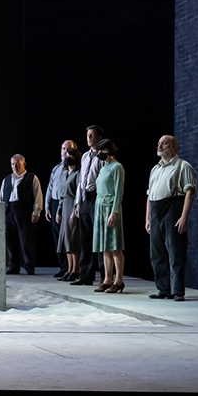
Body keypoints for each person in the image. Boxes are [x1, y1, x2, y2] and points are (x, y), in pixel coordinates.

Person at [145, 134, 196, 301]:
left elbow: (190, 192)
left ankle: (177, 290)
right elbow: (149, 195)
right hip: (156, 210)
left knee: (175, 250)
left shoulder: (183, 166)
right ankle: (163, 288)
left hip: (173, 207)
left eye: (164, 143)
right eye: (159, 143)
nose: (160, 146)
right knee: (157, 252)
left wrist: (184, 217)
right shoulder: (155, 169)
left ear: (174, 147)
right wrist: (148, 218)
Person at [0, 153, 44, 276]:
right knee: (10, 241)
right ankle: (14, 266)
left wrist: (36, 212)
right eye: (13, 164)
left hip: (24, 212)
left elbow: (38, 195)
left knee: (27, 240)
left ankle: (29, 266)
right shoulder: (7, 179)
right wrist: (0, 213)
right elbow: (1, 197)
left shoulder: (31, 178)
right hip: (9, 211)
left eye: (18, 164)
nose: (15, 166)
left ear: (24, 164)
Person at [71, 125, 105, 287]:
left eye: (92, 135)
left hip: (96, 197)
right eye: (87, 135)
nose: (89, 138)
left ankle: (105, 276)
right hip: (85, 199)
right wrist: (77, 202)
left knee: (100, 239)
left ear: (99, 138)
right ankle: (85, 275)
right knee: (85, 239)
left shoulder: (103, 155)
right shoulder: (85, 156)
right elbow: (81, 182)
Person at [92, 139, 125, 292]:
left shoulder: (117, 167)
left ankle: (119, 280)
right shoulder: (103, 168)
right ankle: (107, 279)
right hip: (100, 206)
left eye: (102, 150)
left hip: (110, 206)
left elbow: (119, 191)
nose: (99, 153)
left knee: (114, 245)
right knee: (105, 247)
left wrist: (114, 211)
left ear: (109, 150)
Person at [46, 141, 81, 281]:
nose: (66, 154)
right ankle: (68, 269)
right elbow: (53, 189)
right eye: (64, 150)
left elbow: (79, 193)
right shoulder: (61, 171)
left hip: (72, 205)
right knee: (65, 239)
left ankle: (75, 270)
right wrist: (56, 210)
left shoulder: (78, 173)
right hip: (62, 205)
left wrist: (75, 209)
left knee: (72, 239)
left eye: (70, 152)